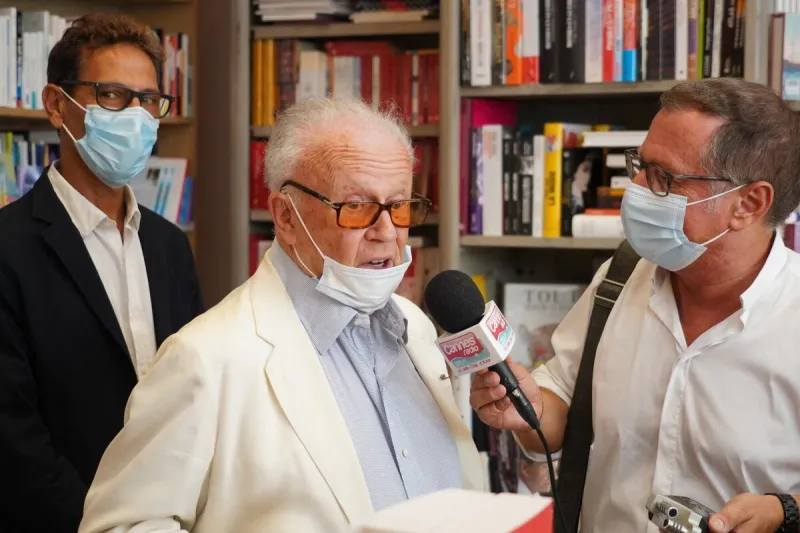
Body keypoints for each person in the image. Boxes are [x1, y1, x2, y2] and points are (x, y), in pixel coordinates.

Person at [77, 97, 483, 533]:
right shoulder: (205, 358)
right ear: (286, 217)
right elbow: (119, 526)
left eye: (400, 206)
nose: (387, 233)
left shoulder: (417, 329)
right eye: (357, 207)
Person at [471, 77, 800, 533]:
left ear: (748, 203)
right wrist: (525, 410)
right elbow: (563, 401)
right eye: (640, 165)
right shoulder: (620, 277)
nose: (638, 188)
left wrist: (787, 512)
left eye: (664, 177)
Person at [0, 14, 204, 532]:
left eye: (150, 100)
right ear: (55, 104)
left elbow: (195, 393)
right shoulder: (8, 246)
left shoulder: (169, 245)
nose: (136, 116)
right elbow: (13, 436)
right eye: (113, 95)